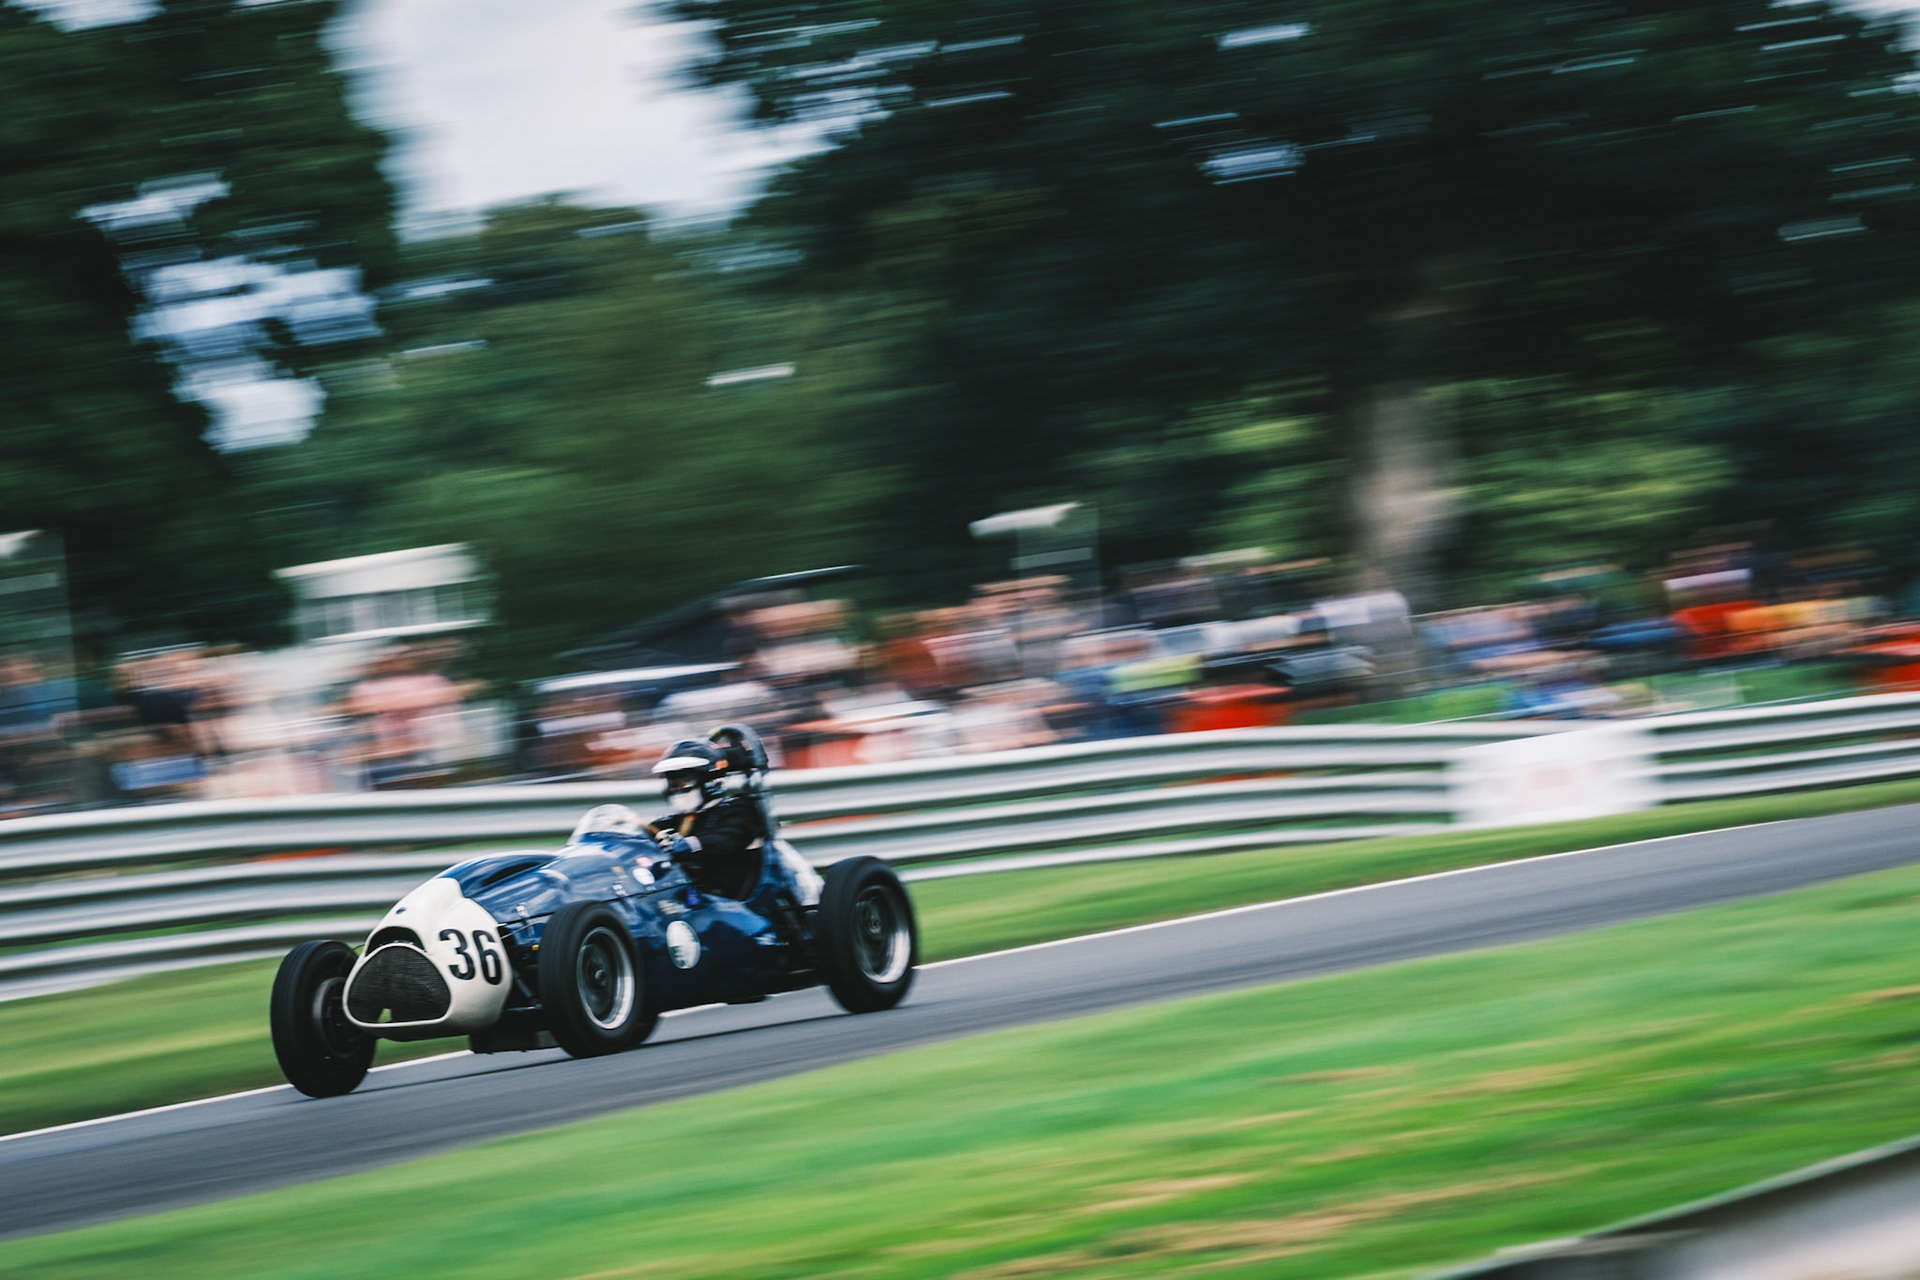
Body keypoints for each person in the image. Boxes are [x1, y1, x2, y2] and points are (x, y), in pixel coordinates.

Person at [649, 739, 765, 899]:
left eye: (683, 781)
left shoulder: (738, 809)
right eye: (672, 783)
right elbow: (650, 830)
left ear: (708, 780)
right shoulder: (681, 819)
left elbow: (727, 839)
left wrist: (691, 845)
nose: (676, 789)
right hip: (692, 899)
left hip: (731, 899)